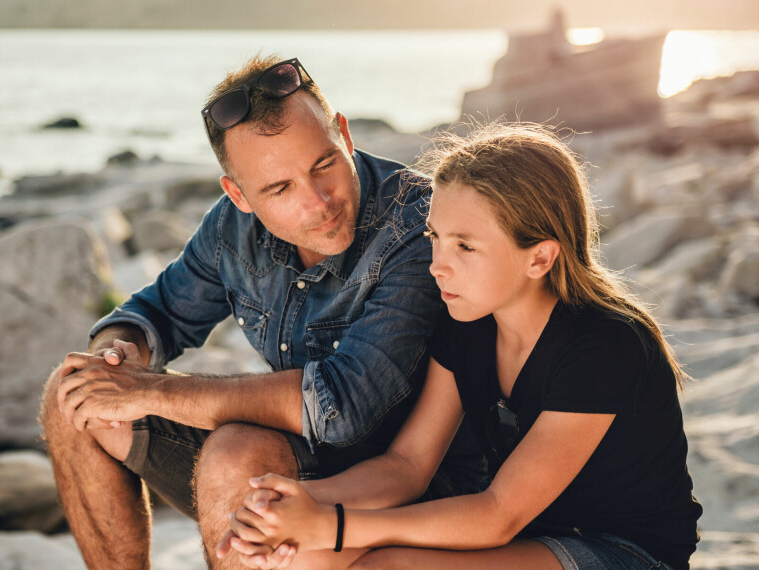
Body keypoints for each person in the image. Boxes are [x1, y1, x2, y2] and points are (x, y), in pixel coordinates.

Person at [39, 55, 484, 569]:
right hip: (298, 459)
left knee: (236, 457)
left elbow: (340, 405)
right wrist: (111, 362)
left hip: (410, 486)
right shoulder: (231, 228)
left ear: (343, 135)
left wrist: (148, 391)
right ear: (239, 194)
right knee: (71, 394)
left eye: (324, 164)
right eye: (280, 188)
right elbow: (157, 310)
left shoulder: (419, 224)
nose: (318, 202)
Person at [220, 123, 703, 570]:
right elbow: (408, 465)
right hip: (532, 533)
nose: (438, 266)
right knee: (311, 556)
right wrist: (291, 505)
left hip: (621, 550)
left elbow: (499, 514)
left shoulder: (604, 346)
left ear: (540, 257)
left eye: (465, 247)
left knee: (385, 565)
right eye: (435, 237)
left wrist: (335, 524)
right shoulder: (469, 323)